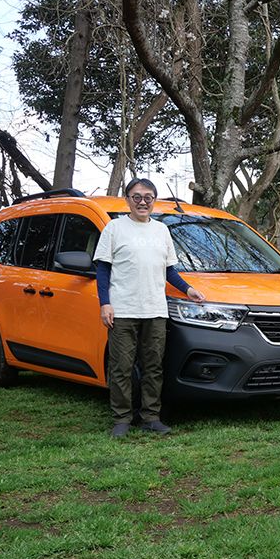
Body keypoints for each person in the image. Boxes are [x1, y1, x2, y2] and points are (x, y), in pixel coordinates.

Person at [94, 178, 205, 438]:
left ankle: (150, 417)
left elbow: (169, 270)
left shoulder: (161, 231)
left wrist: (188, 289)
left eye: (147, 197)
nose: (142, 202)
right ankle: (122, 419)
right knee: (121, 366)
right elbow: (102, 269)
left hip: (155, 310)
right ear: (127, 199)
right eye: (137, 196)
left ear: (154, 201)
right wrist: (105, 303)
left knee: (153, 366)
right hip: (123, 310)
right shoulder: (114, 228)